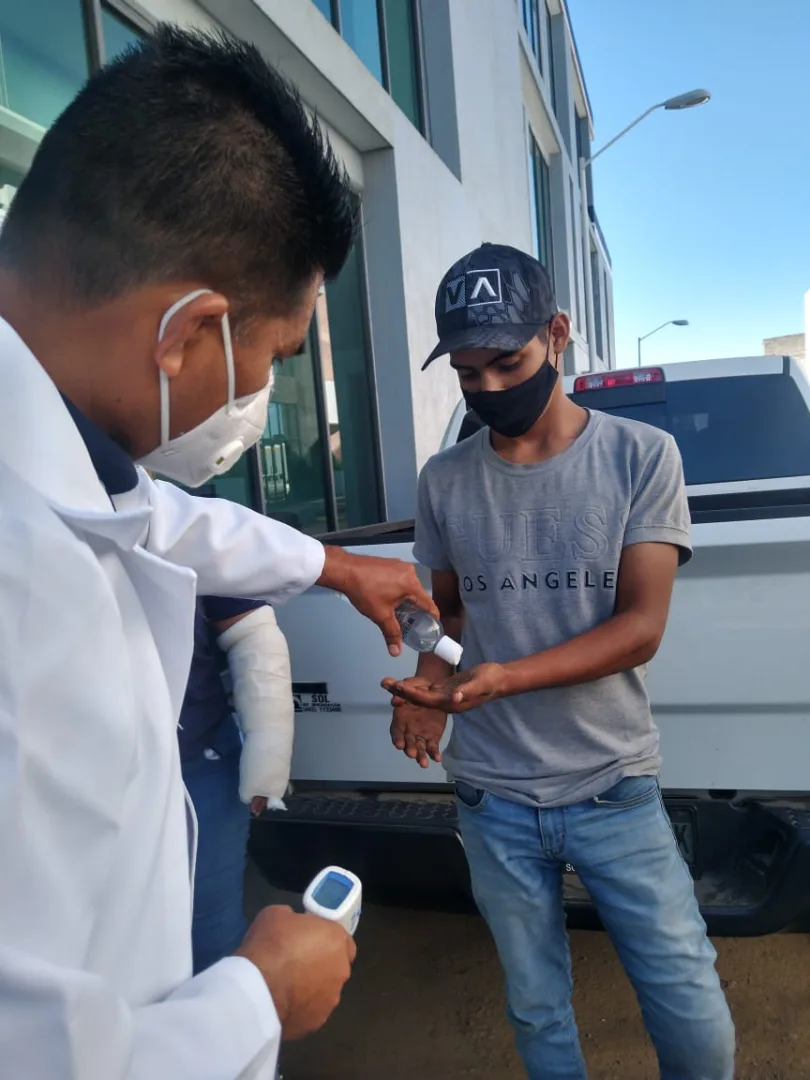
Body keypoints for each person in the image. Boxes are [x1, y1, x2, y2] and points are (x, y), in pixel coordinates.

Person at [0, 25, 438, 1080]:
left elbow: (157, 517)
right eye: (274, 358)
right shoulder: (25, 593)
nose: (257, 400)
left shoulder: (61, 464)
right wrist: (258, 998)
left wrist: (338, 567)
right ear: (185, 333)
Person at [383, 244, 736, 1080]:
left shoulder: (641, 457)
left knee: (689, 1002)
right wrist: (427, 688)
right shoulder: (444, 480)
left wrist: (505, 677)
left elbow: (640, 627)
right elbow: (450, 615)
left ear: (558, 334)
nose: (488, 388)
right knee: (536, 1006)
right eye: (468, 373)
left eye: (507, 363)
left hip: (613, 783)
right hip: (492, 794)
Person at [180, 596, 295, 974]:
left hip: (196, 762)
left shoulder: (200, 550)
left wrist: (266, 767)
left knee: (211, 943)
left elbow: (249, 628)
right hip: (67, 773)